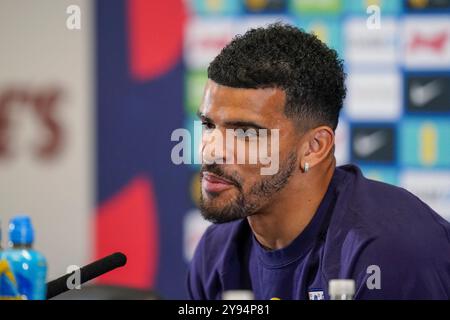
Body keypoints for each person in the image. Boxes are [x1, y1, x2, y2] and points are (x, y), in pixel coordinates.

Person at [187, 23, 450, 300]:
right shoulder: (215, 254)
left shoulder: (387, 255)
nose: (211, 151)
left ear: (314, 147)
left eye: (246, 133)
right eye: (208, 125)